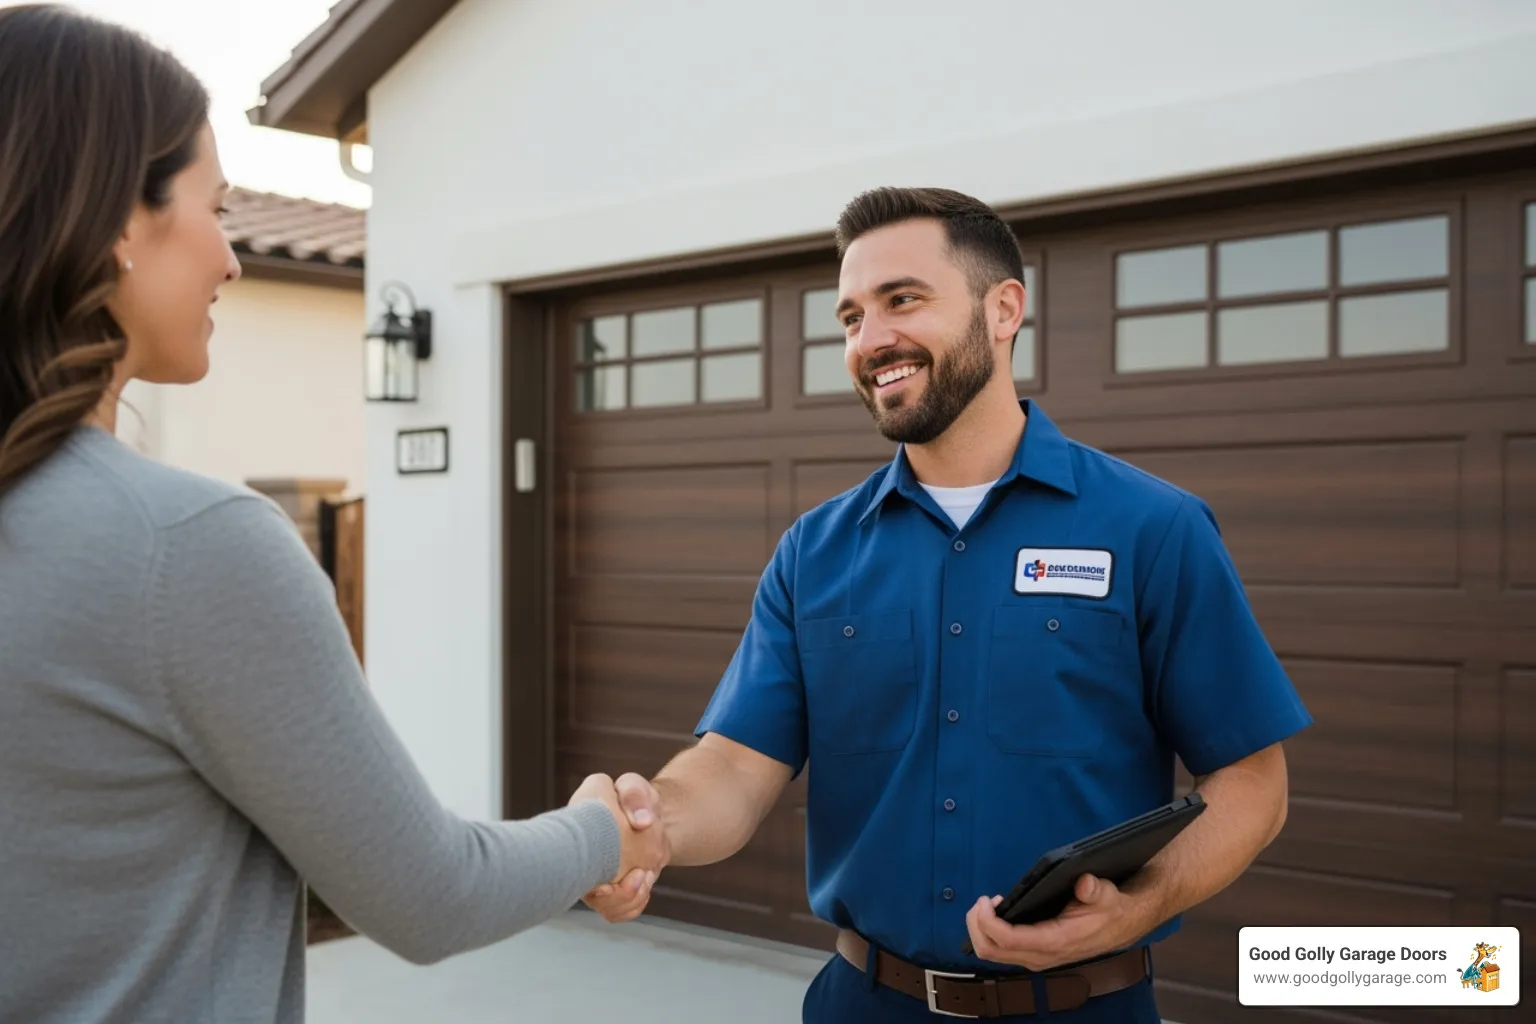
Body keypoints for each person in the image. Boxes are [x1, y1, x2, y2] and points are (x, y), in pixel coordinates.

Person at [0, 7, 664, 1023]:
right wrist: (601, 832)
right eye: (214, 207)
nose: (230, 259)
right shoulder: (185, 549)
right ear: (121, 222)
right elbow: (432, 895)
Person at [577, 186, 1314, 1022]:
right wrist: (650, 823)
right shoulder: (815, 553)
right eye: (851, 316)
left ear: (1004, 310)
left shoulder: (1152, 529)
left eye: (903, 300)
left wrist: (1139, 904)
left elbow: (1253, 780)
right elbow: (736, 769)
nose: (870, 339)